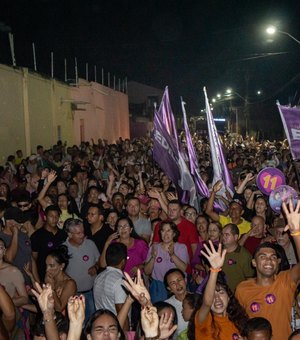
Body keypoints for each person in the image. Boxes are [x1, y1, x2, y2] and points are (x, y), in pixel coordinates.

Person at [235, 201, 300, 340]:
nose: (268, 260)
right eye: (262, 257)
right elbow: (239, 321)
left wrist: (296, 232)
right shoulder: (242, 289)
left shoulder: (285, 280)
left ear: (277, 263)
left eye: (273, 257)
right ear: (254, 262)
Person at [194, 241, 248, 339]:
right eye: (212, 295)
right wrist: (214, 270)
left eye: (221, 292)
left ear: (228, 297)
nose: (217, 298)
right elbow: (207, 303)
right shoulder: (204, 320)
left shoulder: (238, 321)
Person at [63, 218, 100, 321]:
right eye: (78, 233)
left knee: (92, 321)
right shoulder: (63, 249)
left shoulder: (90, 244)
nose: (82, 235)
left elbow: (99, 260)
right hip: (73, 296)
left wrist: (96, 267)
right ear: (69, 234)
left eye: (83, 232)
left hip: (91, 293)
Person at [144, 221, 189, 303]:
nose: (165, 233)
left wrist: (172, 255)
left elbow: (183, 268)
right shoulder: (154, 247)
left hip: (176, 285)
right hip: (159, 287)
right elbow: (147, 271)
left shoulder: (181, 247)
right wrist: (153, 257)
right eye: (163, 230)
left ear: (174, 233)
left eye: (169, 230)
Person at [93, 243, 129, 329]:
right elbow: (121, 312)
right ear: (123, 261)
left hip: (101, 325)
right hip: (115, 329)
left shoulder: (98, 277)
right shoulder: (119, 281)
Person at [30, 205, 67, 280]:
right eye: (51, 216)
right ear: (45, 217)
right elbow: (33, 259)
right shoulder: (37, 236)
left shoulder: (63, 234)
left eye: (56, 216)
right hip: (44, 276)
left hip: (62, 276)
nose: (54, 219)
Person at [221, 223, 254, 292]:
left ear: (236, 237)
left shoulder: (244, 255)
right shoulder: (218, 252)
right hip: (221, 294)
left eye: (227, 234)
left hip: (237, 296)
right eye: (222, 234)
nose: (223, 237)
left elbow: (250, 279)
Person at [164, 268, 189, 339]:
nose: (177, 285)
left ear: (185, 280)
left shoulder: (197, 299)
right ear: (169, 288)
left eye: (179, 280)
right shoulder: (167, 306)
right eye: (173, 283)